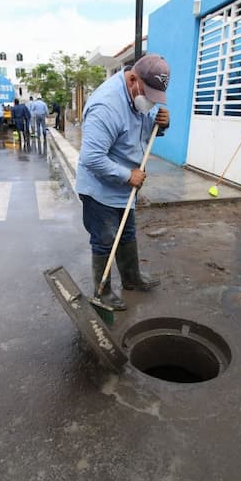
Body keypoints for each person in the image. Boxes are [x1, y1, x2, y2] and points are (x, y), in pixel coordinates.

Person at [75, 54, 171, 311]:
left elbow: (141, 130)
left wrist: (160, 125)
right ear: (132, 79)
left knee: (126, 233)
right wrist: (128, 175)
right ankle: (102, 292)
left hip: (125, 189)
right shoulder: (106, 107)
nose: (150, 102)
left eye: (155, 97)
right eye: (148, 95)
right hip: (100, 189)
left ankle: (131, 278)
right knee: (105, 238)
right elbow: (90, 158)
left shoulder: (137, 98)